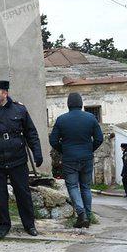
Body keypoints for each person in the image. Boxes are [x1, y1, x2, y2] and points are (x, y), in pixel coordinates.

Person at [49, 93, 103, 228]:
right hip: (86, 158)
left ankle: (81, 214)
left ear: (68, 104)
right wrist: (89, 149)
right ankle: (88, 215)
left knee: (73, 186)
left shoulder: (61, 120)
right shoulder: (90, 118)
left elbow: (53, 140)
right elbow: (99, 139)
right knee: (86, 187)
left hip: (69, 159)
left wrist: (64, 150)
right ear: (81, 104)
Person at [0, 80, 42, 238]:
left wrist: (37, 153)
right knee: (0, 196)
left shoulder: (19, 109)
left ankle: (29, 225)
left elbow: (31, 133)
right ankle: (3, 225)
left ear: (4, 93)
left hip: (17, 159)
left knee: (23, 193)